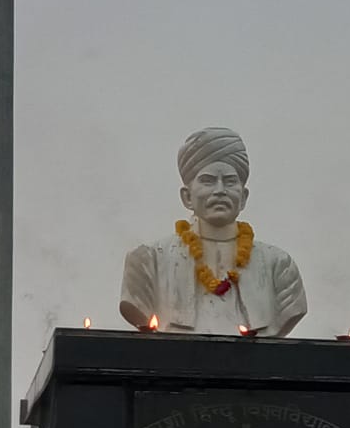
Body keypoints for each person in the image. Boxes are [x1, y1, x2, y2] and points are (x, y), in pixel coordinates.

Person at [119, 127, 307, 336]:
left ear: (243, 197)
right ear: (187, 197)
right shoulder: (148, 261)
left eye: (229, 181)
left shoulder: (278, 265)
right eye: (208, 181)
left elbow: (291, 310)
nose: (219, 190)